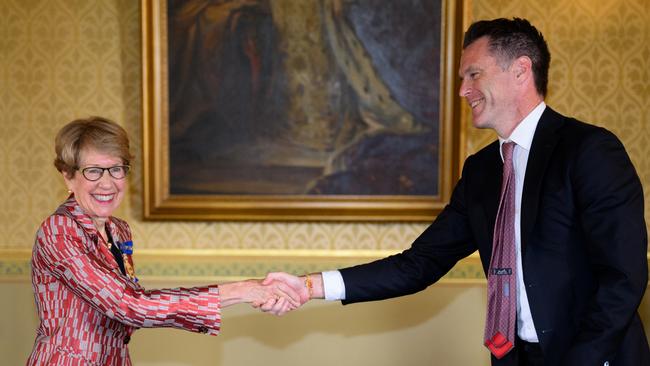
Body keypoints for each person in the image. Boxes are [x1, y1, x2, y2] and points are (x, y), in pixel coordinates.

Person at [262, 18, 650, 366]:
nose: (463, 90)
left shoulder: (589, 150)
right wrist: (309, 286)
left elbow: (623, 277)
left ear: (520, 71)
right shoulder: (481, 171)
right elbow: (418, 264)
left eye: (474, 75)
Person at [27, 117, 300, 365]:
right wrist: (242, 290)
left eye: (116, 169)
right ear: (68, 176)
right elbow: (129, 306)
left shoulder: (118, 230)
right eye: (94, 171)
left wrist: (252, 291)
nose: (107, 183)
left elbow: (129, 311)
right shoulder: (59, 231)